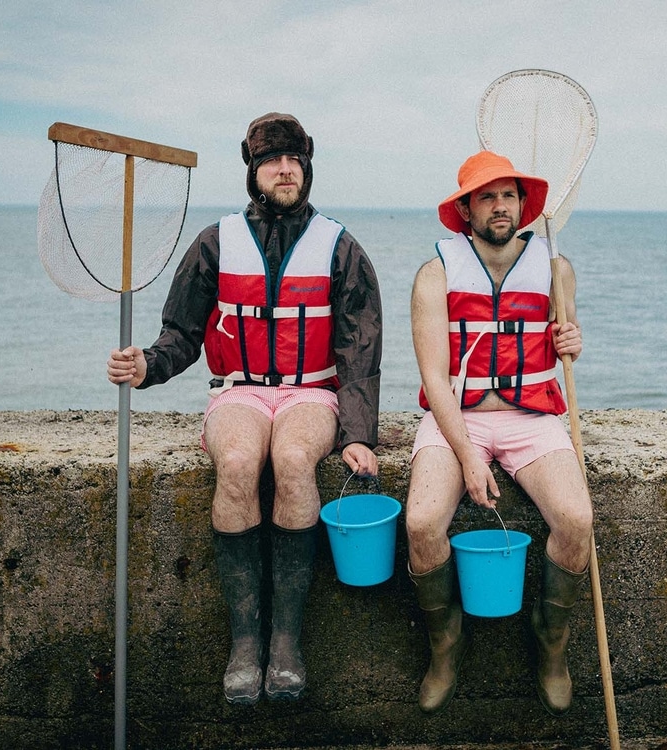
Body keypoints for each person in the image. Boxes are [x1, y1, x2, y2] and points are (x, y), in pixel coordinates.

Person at [106, 113, 382, 706]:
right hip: (239, 389)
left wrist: (359, 434)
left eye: (294, 161)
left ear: (306, 168)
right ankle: (244, 643)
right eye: (271, 161)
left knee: (293, 460)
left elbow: (360, 350)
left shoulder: (339, 247)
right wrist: (147, 366)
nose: (284, 170)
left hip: (312, 392)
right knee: (235, 463)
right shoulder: (215, 241)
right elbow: (180, 333)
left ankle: (285, 641)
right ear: (254, 171)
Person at [405, 150, 593, 716]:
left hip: (533, 418)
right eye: (487, 197)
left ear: (522, 203)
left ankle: (551, 642)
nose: (500, 206)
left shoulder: (556, 268)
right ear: (465, 209)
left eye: (509, 195)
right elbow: (434, 380)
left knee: (577, 521)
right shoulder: (435, 272)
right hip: (455, 418)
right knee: (420, 524)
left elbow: (566, 339)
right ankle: (445, 643)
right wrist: (466, 455)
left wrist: (572, 343)